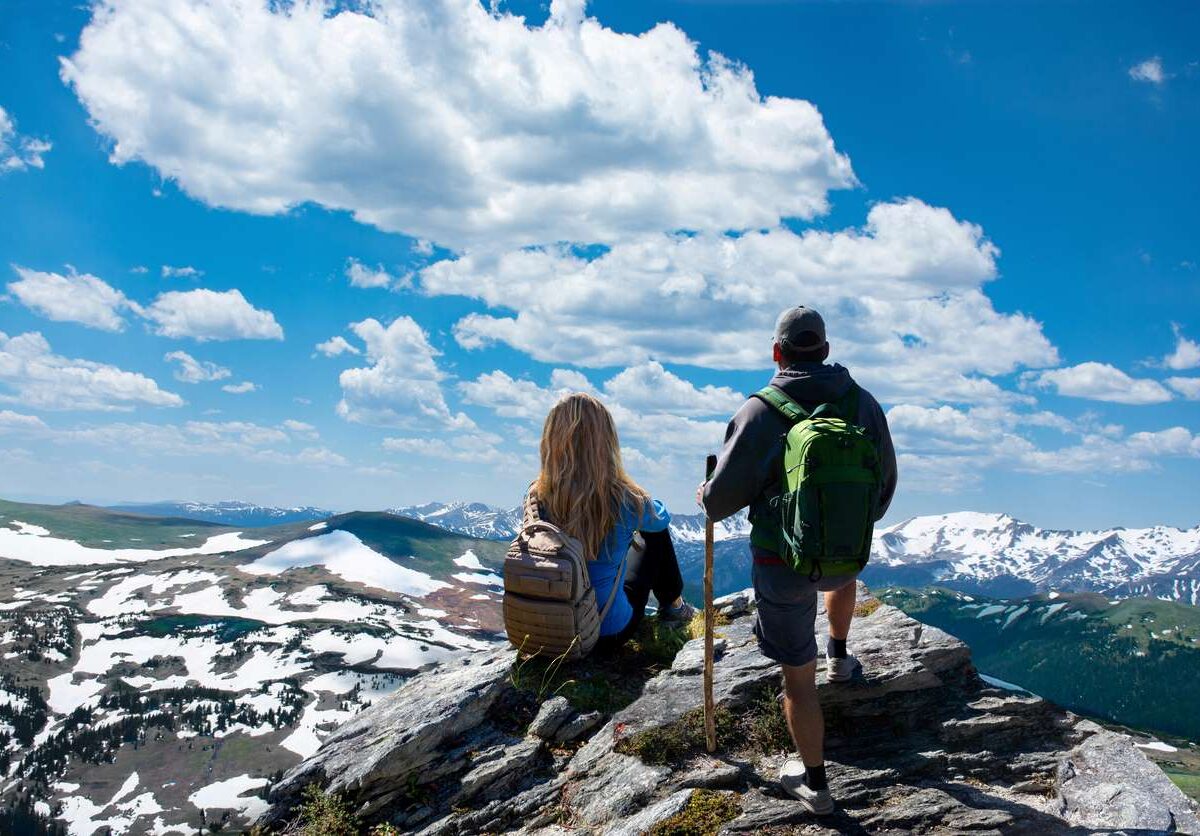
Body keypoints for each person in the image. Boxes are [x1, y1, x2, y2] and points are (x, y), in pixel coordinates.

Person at [701, 306, 897, 814]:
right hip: (845, 557)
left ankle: (816, 784)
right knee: (839, 574)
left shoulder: (760, 411)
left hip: (780, 562)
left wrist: (706, 491)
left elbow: (719, 501)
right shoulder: (864, 405)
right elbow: (884, 486)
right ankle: (840, 654)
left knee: (796, 679)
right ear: (826, 350)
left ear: (777, 351)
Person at [534, 392, 695, 654]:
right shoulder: (622, 498)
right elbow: (660, 518)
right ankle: (675, 607)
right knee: (654, 537)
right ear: (605, 441)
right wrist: (632, 488)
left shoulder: (536, 495)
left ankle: (674, 606)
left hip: (549, 631)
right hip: (605, 631)